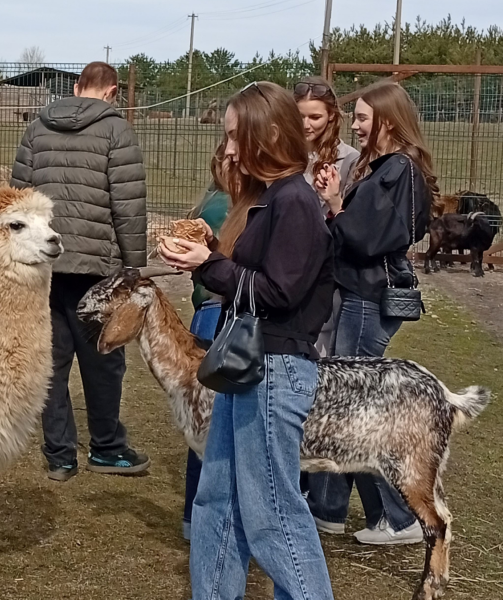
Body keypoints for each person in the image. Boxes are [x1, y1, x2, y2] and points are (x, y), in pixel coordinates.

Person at [160, 81, 335, 600]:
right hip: (250, 367)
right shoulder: (271, 198)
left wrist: (210, 265)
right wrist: (212, 249)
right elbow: (259, 273)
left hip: (276, 369)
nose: (230, 150)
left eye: (237, 137)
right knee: (217, 498)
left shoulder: (296, 202)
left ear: (271, 133)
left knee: (272, 512)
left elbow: (279, 293)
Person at [305, 82, 436, 546]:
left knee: (360, 411)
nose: (356, 126)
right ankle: (331, 508)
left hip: (367, 296)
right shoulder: (388, 168)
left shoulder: (398, 170)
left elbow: (368, 238)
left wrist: (338, 203)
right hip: (358, 294)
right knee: (350, 406)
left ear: (388, 119)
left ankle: (400, 518)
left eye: (363, 118)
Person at [10, 61, 149, 481]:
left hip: (45, 263)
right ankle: (106, 447)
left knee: (51, 361)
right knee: (104, 359)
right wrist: (133, 265)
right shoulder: (116, 130)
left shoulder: (37, 128)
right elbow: (128, 204)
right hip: (96, 265)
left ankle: (60, 454)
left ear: (76, 87)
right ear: (111, 93)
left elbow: (19, 195)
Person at [181, 143, 231, 542]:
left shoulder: (210, 201)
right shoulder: (231, 206)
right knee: (220, 420)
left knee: (203, 418)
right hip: (225, 316)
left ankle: (194, 515)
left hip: (207, 312)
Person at [294, 76, 360, 358]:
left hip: (325, 265)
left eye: (315, 117)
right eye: (300, 116)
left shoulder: (350, 159)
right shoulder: (283, 154)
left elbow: (351, 217)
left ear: (331, 116)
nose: (306, 124)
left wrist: (332, 198)